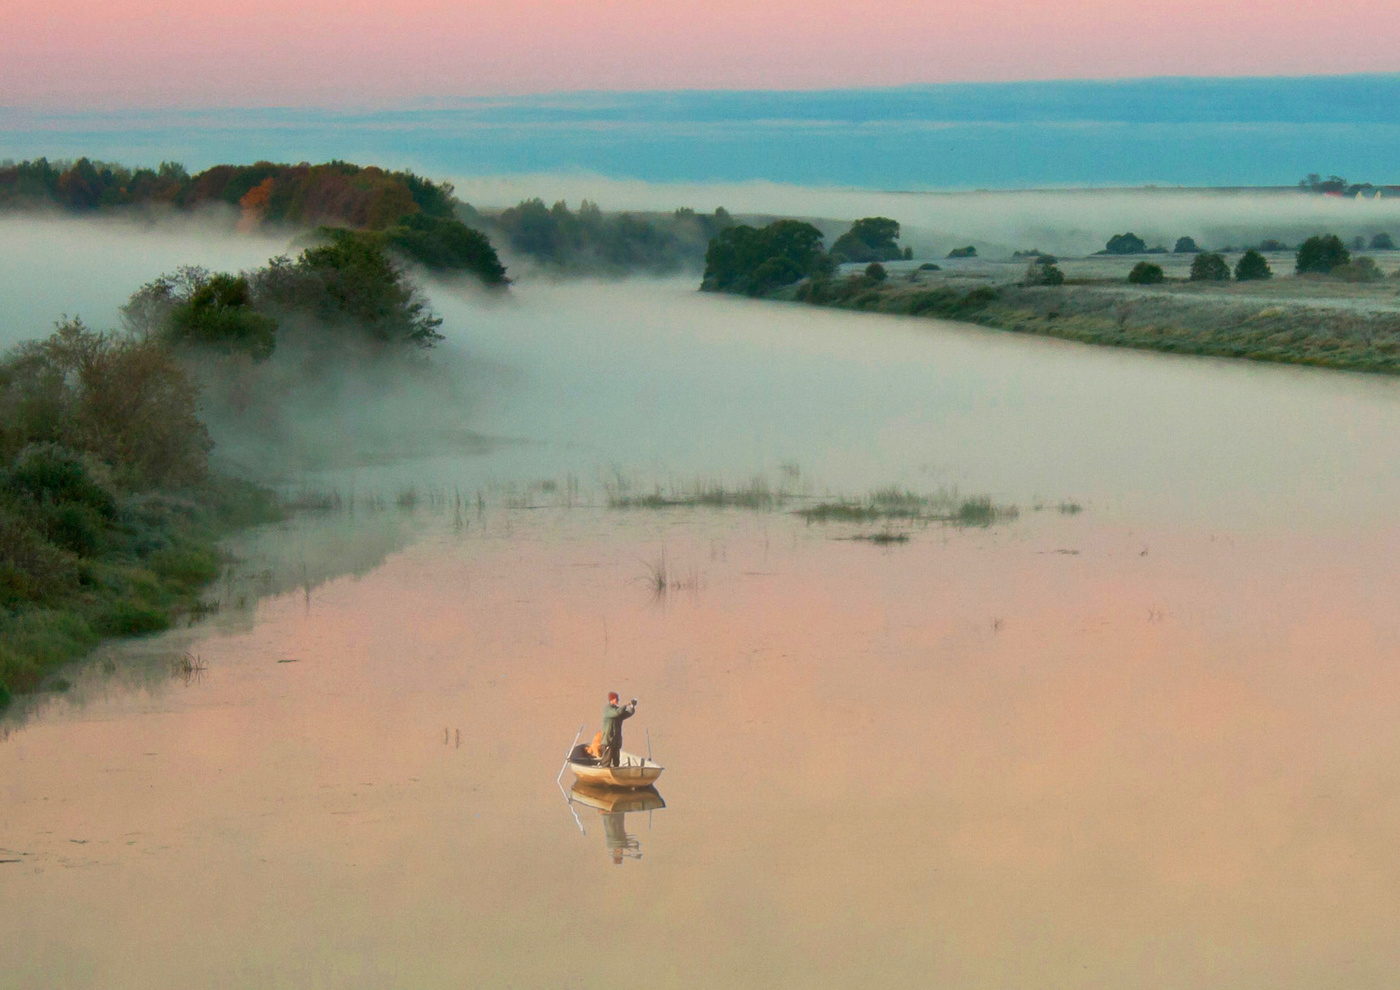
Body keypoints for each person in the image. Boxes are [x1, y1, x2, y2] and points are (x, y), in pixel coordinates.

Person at [598, 691, 637, 768]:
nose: (618, 700)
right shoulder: (608, 709)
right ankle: (605, 773)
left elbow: (627, 713)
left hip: (616, 740)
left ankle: (616, 773)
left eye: (618, 699)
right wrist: (626, 705)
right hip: (608, 740)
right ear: (611, 700)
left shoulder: (618, 710)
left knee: (616, 761)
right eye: (616, 699)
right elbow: (616, 713)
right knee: (606, 762)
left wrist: (632, 706)